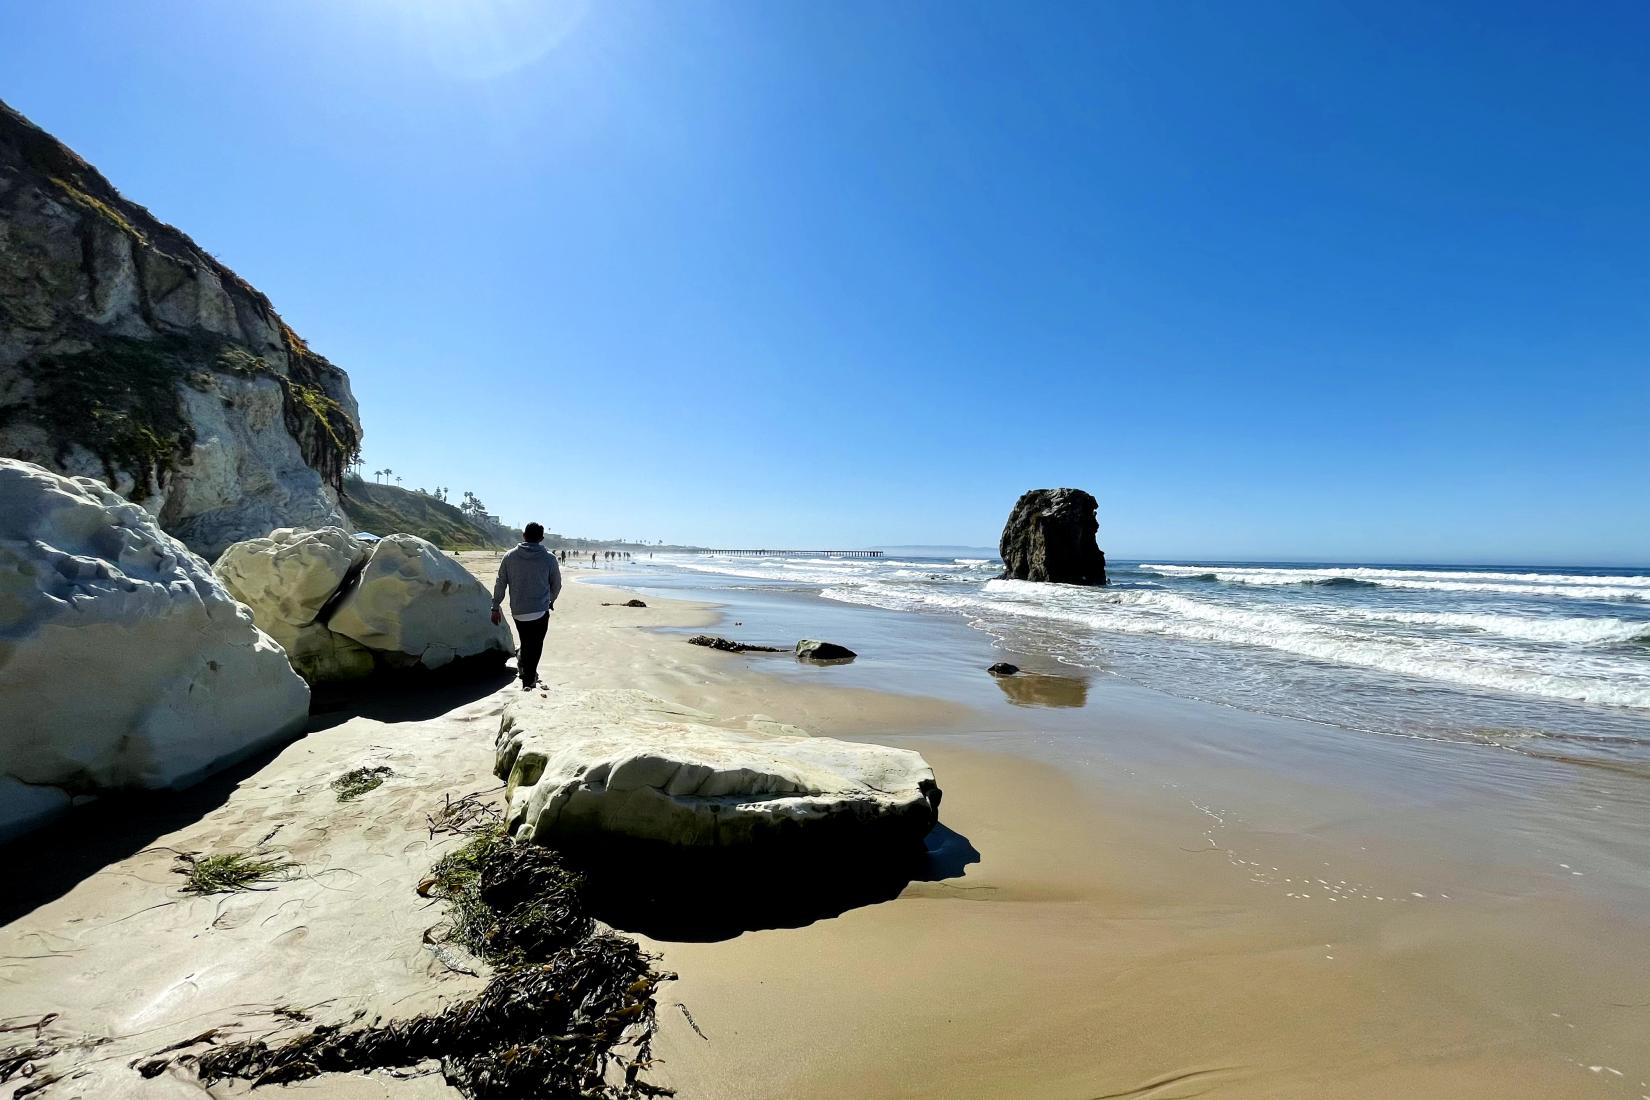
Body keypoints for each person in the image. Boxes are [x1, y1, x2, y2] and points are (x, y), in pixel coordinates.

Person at [491, 522, 562, 689]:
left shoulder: (509, 556)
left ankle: (524, 665)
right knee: (535, 645)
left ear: (523, 536)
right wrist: (550, 600)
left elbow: (501, 582)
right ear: (542, 538)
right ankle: (528, 679)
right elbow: (556, 584)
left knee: (526, 641)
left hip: (518, 610)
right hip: (540, 610)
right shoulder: (549, 558)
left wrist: (495, 606)